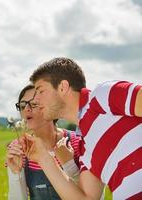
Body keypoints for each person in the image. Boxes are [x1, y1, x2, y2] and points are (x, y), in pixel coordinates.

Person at [25, 57, 142, 199]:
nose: (35, 100)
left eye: (40, 91)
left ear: (63, 87)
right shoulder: (85, 149)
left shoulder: (101, 96)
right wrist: (44, 158)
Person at [6, 84, 82, 200]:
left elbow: (93, 196)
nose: (26, 109)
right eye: (22, 106)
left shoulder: (77, 142)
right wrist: (16, 174)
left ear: (51, 107)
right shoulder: (19, 148)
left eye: (34, 104)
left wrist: (70, 165)